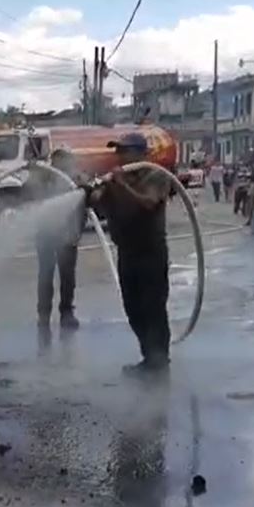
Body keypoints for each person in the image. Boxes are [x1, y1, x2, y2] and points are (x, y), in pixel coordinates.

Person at [88, 132, 176, 374]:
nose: (120, 156)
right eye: (118, 151)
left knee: (153, 307)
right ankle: (149, 358)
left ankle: (159, 362)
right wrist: (90, 192)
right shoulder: (115, 180)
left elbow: (148, 203)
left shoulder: (156, 175)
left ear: (140, 153)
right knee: (133, 309)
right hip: (127, 252)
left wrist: (121, 185)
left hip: (151, 252)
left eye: (124, 151)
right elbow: (99, 205)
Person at [37, 147, 83, 330]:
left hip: (68, 236)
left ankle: (66, 312)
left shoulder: (75, 180)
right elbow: (28, 196)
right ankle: (43, 315)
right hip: (46, 235)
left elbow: (84, 204)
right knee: (45, 276)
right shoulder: (42, 178)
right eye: (56, 161)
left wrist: (76, 232)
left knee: (67, 277)